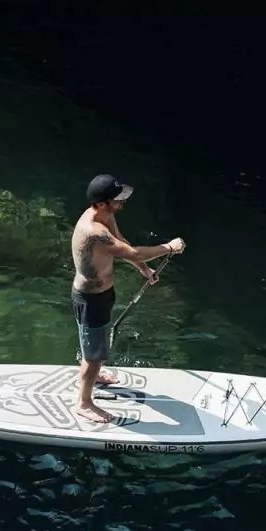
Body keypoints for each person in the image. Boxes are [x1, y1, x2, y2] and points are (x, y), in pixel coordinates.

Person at [70, 174, 186, 423]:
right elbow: (131, 251)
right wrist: (168, 247)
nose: (122, 203)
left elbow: (123, 244)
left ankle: (95, 375)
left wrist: (143, 268)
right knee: (93, 355)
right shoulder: (93, 231)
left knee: (97, 349)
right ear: (102, 203)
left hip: (103, 294)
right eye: (117, 199)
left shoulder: (106, 216)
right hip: (90, 299)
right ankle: (84, 403)